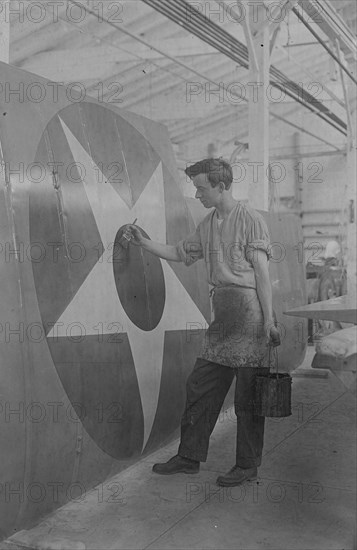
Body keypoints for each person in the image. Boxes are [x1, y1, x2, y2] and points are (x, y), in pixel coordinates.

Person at [124, 158, 281, 487]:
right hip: (223, 315)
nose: (197, 194)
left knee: (249, 397)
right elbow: (179, 253)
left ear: (222, 186)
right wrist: (144, 242)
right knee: (200, 386)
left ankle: (247, 465)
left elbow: (263, 275)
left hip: (251, 314)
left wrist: (269, 322)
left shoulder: (250, 219)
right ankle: (189, 456)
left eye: (201, 188)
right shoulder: (208, 224)